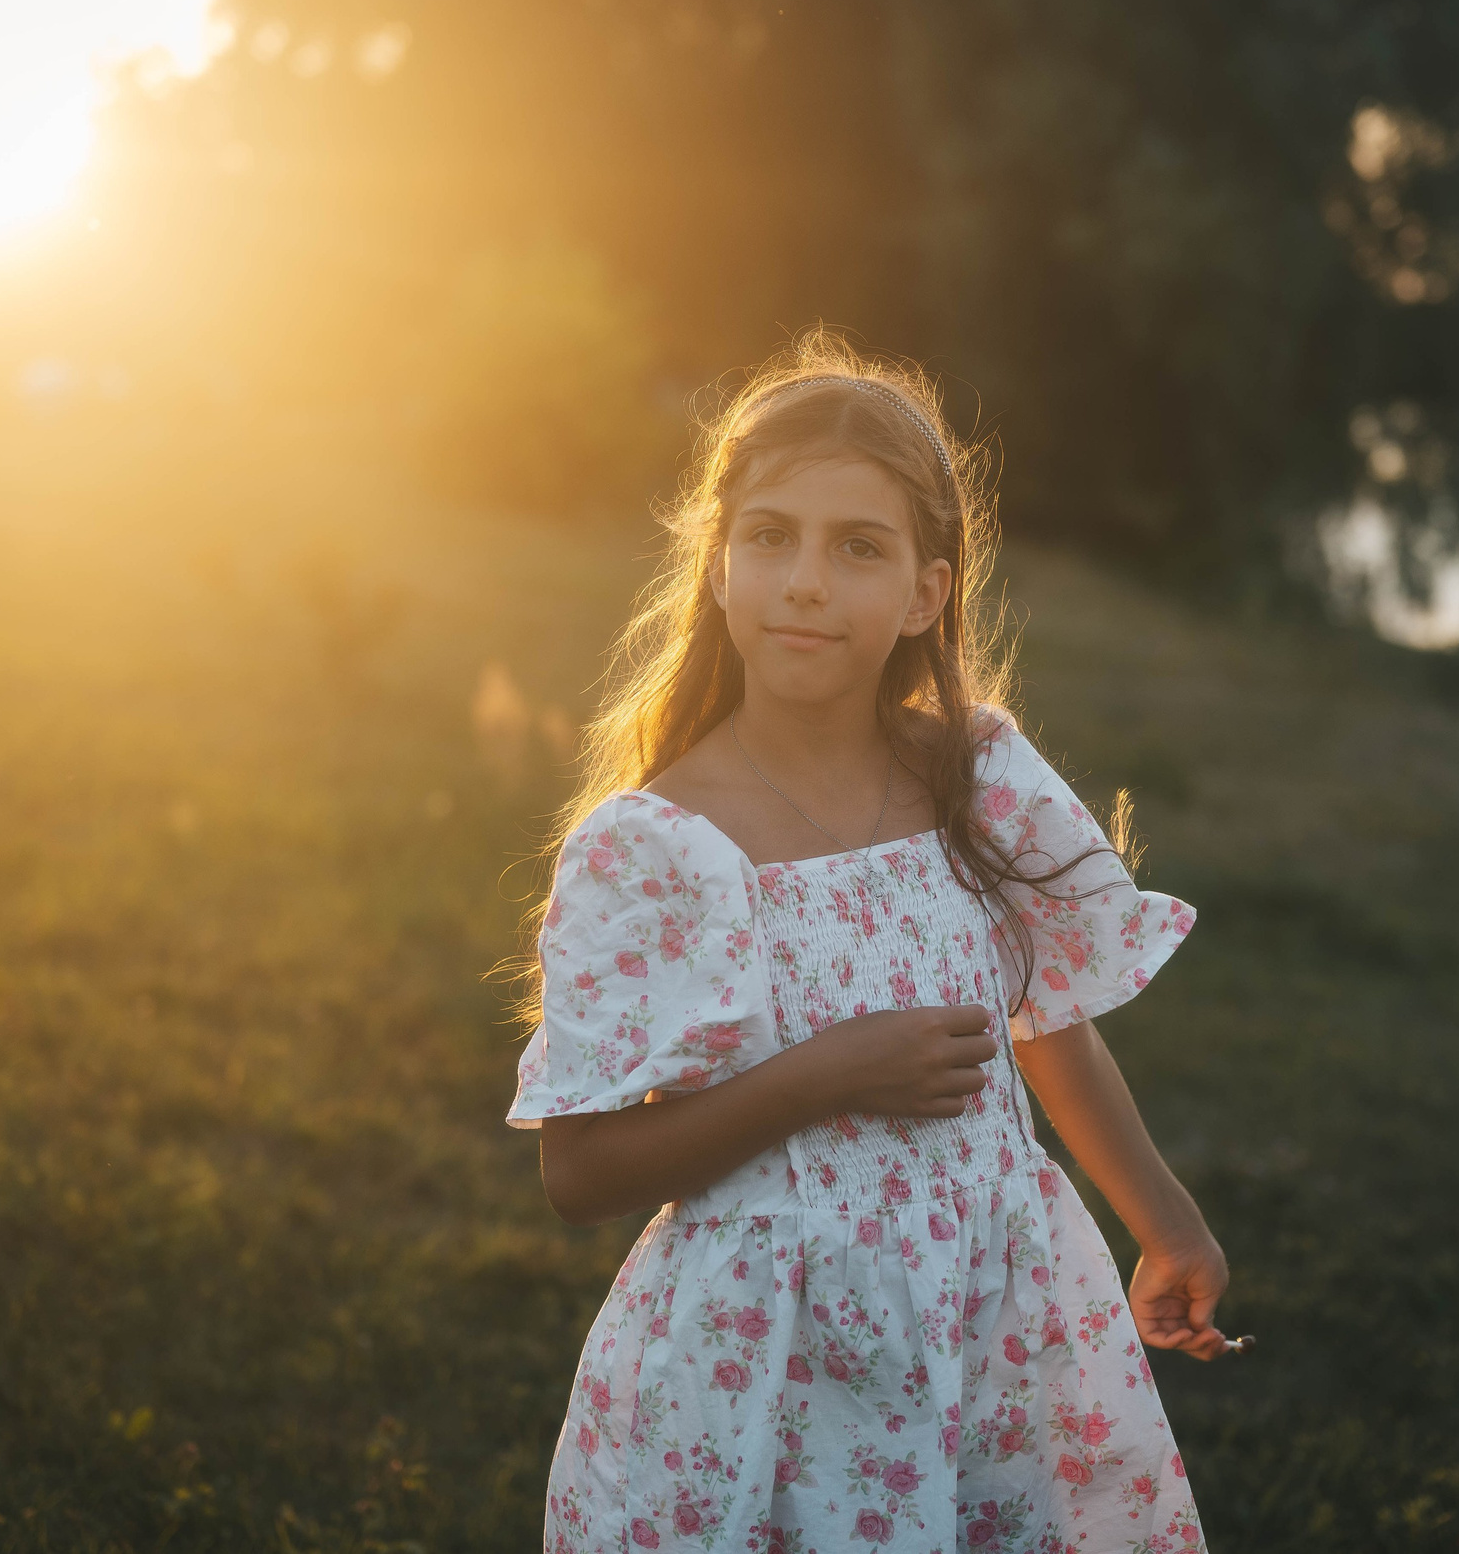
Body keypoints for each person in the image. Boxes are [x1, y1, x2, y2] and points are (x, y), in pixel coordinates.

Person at [510, 333, 1226, 1552]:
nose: (804, 580)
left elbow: (1042, 1019)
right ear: (720, 567)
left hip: (980, 1313)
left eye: (859, 548)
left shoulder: (974, 776)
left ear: (925, 593)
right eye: (770, 536)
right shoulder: (657, 847)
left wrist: (1167, 1220)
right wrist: (831, 1072)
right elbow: (579, 1172)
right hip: (765, 1356)